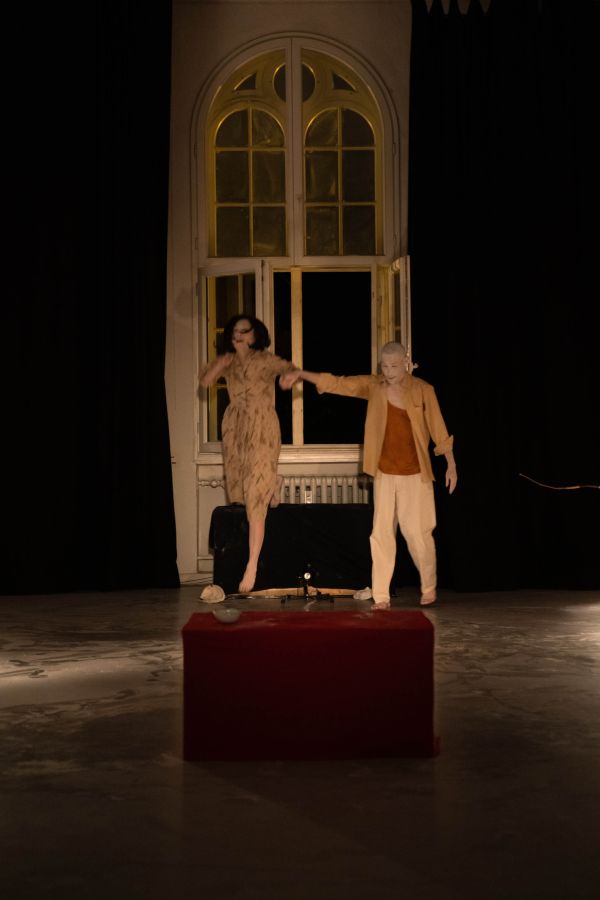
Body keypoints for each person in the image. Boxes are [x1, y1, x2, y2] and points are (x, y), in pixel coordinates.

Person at [281, 342, 457, 607]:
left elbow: (438, 428)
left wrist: (451, 464)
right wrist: (301, 374)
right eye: (384, 366)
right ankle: (381, 596)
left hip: (415, 474)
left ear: (405, 362)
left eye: (394, 366)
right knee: (380, 534)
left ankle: (429, 586)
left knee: (417, 534)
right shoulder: (375, 387)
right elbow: (339, 383)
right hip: (385, 473)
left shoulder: (423, 390)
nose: (389, 372)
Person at [200, 315, 297, 594]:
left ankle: (251, 565)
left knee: (255, 498)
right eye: (235, 332)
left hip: (263, 426)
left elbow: (289, 368)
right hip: (236, 428)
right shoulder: (228, 361)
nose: (239, 336)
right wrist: (221, 362)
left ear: (255, 335)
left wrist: (290, 377)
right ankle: (273, 485)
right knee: (242, 493)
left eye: (245, 331)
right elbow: (205, 381)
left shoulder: (265, 360)